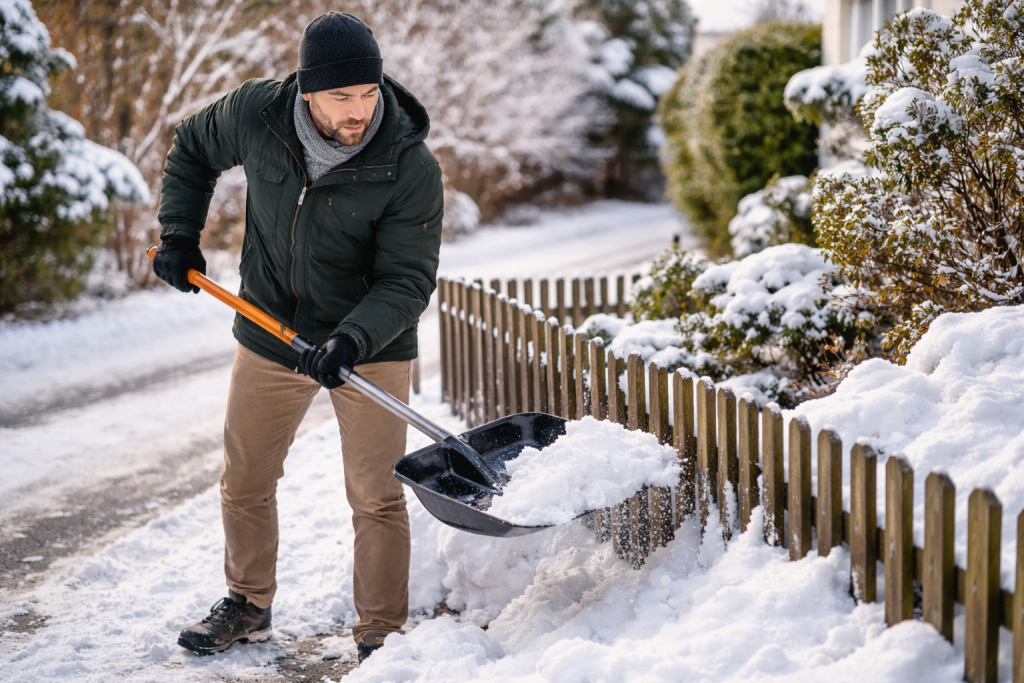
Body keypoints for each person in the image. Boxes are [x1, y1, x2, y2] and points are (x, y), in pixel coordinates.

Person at [151, 12, 443, 662]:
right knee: (246, 478)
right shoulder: (259, 113)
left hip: (369, 344)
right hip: (269, 327)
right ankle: (248, 603)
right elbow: (192, 147)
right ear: (308, 90)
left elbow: (407, 280)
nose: (359, 110)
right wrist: (179, 232)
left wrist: (351, 340)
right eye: (343, 96)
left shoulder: (409, 164)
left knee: (376, 494)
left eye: (369, 93)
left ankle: (380, 635)